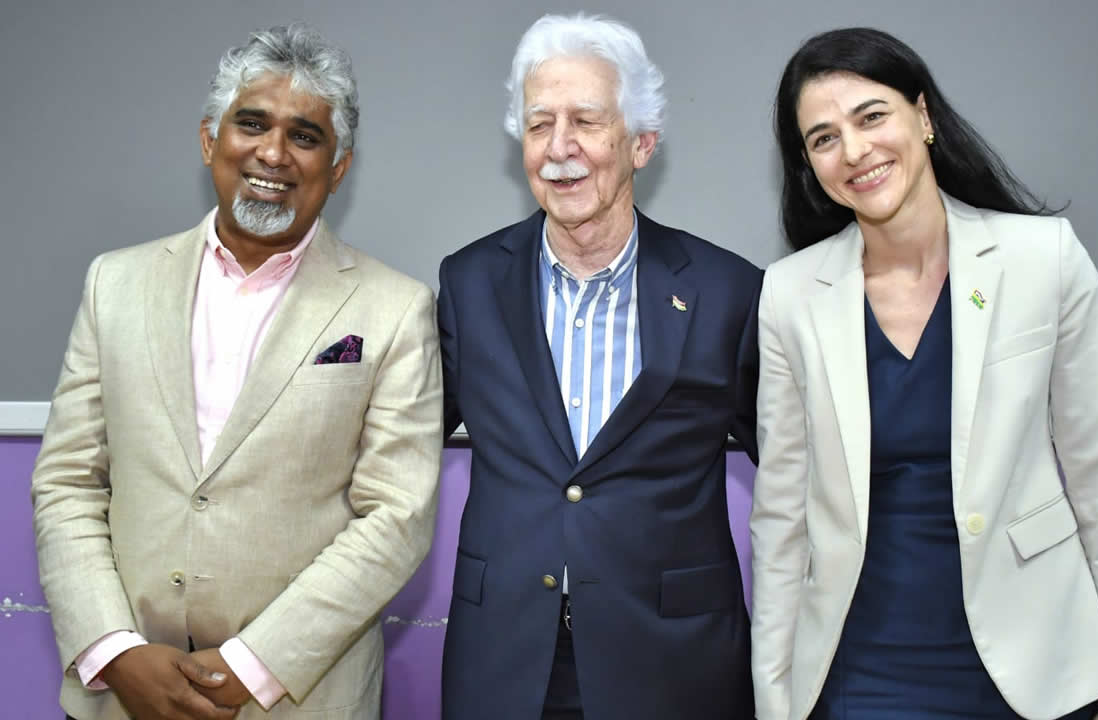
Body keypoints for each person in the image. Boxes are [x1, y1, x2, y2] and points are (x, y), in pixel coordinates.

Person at [30, 23, 442, 720]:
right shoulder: (114, 284)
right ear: (209, 140)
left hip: (300, 699)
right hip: (124, 693)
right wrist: (116, 652)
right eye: (251, 124)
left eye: (304, 136)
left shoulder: (396, 309)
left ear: (338, 167)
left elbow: (395, 517)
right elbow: (68, 481)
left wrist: (252, 666)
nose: (273, 153)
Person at [749, 27, 1098, 720]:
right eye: (823, 138)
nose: (854, 151)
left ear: (923, 116)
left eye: (871, 116)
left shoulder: (1043, 260)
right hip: (862, 666)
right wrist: (775, 701)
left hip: (1037, 663)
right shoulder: (790, 295)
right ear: (809, 165)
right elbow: (780, 522)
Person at [436, 13, 761, 720]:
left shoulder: (728, 291)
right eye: (538, 124)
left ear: (641, 142)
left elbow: (802, 475)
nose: (560, 148)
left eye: (585, 121)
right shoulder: (467, 284)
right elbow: (396, 447)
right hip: (506, 661)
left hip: (674, 665)